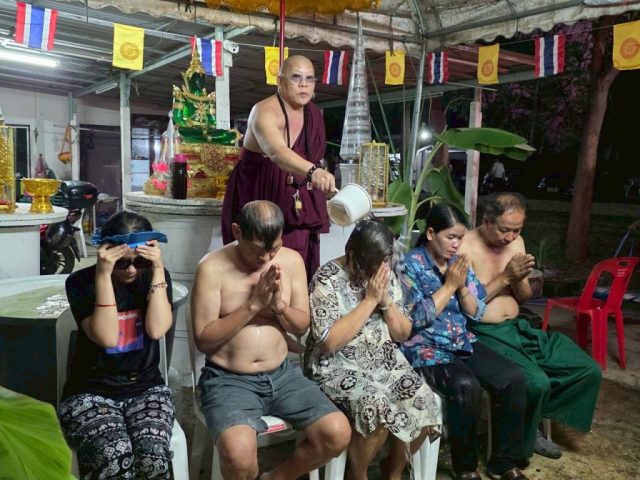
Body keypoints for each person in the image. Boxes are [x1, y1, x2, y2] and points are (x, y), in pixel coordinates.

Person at [192, 200, 351, 480]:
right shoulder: (212, 268)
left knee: (337, 433)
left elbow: (301, 326)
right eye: (258, 249)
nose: (266, 258)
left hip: (282, 375)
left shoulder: (291, 261)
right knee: (239, 457)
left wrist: (279, 307)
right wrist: (253, 305)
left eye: (274, 248)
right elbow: (204, 340)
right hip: (228, 379)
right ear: (237, 231)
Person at [458, 192, 602, 461]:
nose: (511, 237)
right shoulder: (464, 247)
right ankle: (527, 433)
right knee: (535, 381)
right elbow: (467, 306)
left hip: (517, 326)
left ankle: (531, 416)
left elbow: (523, 296)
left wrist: (519, 279)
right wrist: (505, 277)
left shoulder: (516, 243)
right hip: (482, 332)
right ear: (487, 220)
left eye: (517, 230)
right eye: (504, 230)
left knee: (586, 369)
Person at [305, 220, 441, 480]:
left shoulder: (384, 274)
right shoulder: (327, 278)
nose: (375, 271)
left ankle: (393, 469)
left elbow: (402, 333)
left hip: (384, 364)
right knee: (375, 406)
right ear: (351, 252)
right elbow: (329, 343)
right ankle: (357, 473)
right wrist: (370, 300)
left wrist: (386, 300)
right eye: (368, 264)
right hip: (335, 367)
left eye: (381, 263)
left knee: (425, 401)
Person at [401, 203, 529, 480]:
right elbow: (416, 318)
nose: (457, 244)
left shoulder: (458, 262)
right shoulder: (410, 265)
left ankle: (504, 462)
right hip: (424, 347)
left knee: (513, 378)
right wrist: (449, 286)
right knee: (465, 386)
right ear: (431, 234)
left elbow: (475, 310)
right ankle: (466, 468)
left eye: (460, 237)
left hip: (460, 340)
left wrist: (460, 287)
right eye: (451, 237)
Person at [59, 211, 175, 479]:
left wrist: (157, 269)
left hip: (146, 388)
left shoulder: (154, 276)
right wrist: (103, 275)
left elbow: (157, 329)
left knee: (153, 459)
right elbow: (108, 337)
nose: (132, 270)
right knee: (115, 458)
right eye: (122, 263)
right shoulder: (80, 282)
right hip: (90, 392)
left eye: (140, 262)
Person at [221, 55, 336, 283]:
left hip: (298, 203)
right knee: (257, 267)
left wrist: (322, 180)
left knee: (298, 269)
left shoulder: (313, 114)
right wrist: (314, 172)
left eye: (309, 79)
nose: (304, 84)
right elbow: (277, 152)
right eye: (296, 77)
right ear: (279, 80)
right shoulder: (264, 111)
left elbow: (312, 156)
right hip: (260, 195)